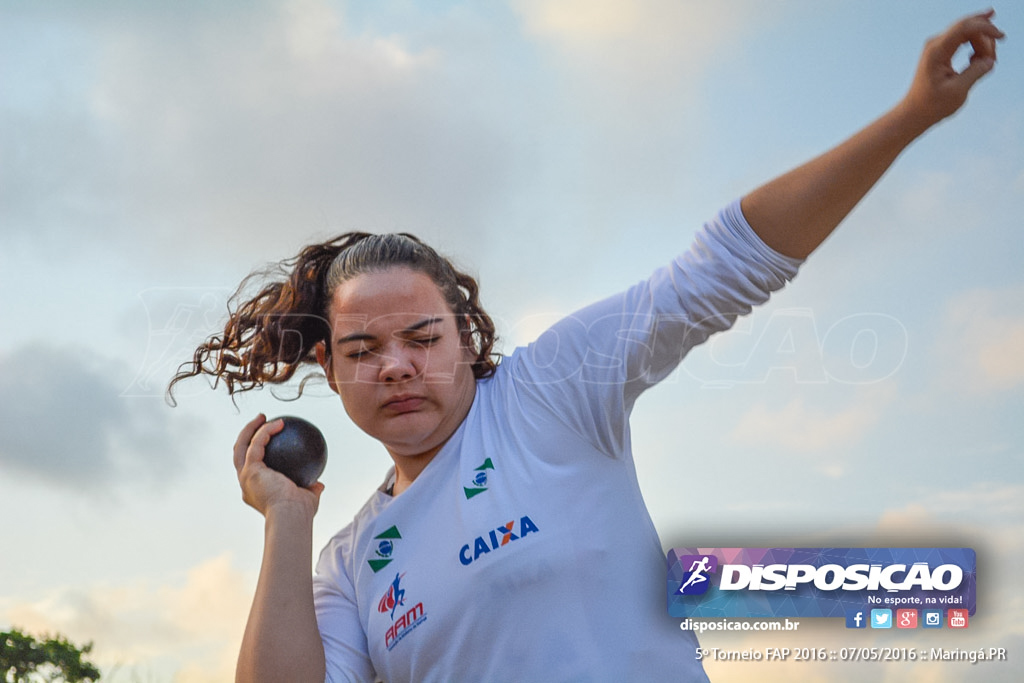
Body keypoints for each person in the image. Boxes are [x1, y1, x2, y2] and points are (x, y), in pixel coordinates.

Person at [168, 10, 1003, 682]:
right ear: (331, 369)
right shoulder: (352, 563)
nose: (395, 364)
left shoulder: (548, 393)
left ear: (465, 335)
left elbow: (722, 267)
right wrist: (287, 521)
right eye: (363, 349)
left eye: (423, 336)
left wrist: (912, 115)